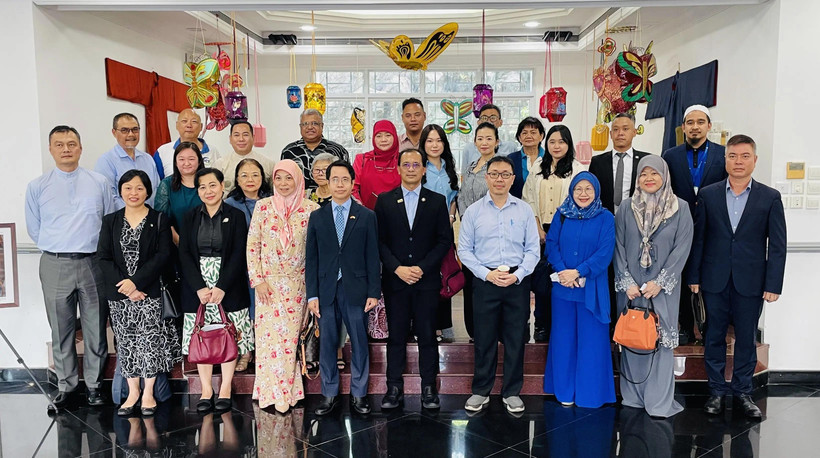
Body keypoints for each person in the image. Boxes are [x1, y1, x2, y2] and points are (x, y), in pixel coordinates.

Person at [688, 135, 786, 419]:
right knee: (714, 336)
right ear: (725, 160)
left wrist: (773, 283)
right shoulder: (708, 194)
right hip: (714, 278)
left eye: (745, 156)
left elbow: (778, 244)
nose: (739, 161)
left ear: (754, 160)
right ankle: (716, 392)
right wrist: (694, 276)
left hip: (752, 281)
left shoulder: (770, 197)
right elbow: (699, 240)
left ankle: (743, 393)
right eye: (733, 156)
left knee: (746, 338)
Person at [25, 125, 115, 412]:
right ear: (50, 149)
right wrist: (59, 247)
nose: (66, 149)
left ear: (80, 147)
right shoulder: (38, 186)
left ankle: (94, 386)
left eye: (72, 143)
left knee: (95, 327)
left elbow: (109, 220)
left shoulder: (99, 182)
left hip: (92, 263)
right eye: (60, 144)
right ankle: (66, 387)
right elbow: (35, 228)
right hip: (55, 262)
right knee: (60, 328)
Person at [458, 156, 540, 415]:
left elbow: (533, 250)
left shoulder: (524, 210)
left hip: (517, 281)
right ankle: (481, 390)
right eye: (494, 174)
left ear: (513, 179)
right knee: (484, 337)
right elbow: (465, 250)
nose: (499, 179)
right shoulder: (473, 212)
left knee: (516, 338)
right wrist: (486, 274)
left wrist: (518, 275)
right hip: (485, 281)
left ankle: (512, 391)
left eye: (505, 174)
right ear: (486, 177)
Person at [97, 170, 182, 417]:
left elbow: (163, 255)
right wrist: (124, 287)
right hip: (119, 295)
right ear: (120, 191)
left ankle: (148, 392)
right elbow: (103, 257)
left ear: (148, 191)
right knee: (127, 343)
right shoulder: (110, 220)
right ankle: (132, 391)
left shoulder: (159, 219)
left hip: (149, 292)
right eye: (128, 188)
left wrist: (136, 283)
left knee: (149, 342)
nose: (133, 193)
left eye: (139, 188)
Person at [614, 156, 693, 418]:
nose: (648, 178)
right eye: (643, 174)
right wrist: (627, 282)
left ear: (664, 176)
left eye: (654, 174)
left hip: (664, 289)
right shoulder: (626, 207)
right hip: (631, 287)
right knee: (634, 336)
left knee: (660, 339)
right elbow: (619, 246)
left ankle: (658, 402)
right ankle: (634, 397)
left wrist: (660, 283)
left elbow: (682, 249)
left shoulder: (680, 208)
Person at [375, 148, 452, 410]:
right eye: (405, 164)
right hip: (396, 281)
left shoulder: (437, 200)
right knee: (395, 336)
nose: (410, 168)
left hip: (426, 281)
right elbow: (380, 241)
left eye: (415, 164)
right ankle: (393, 387)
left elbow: (444, 241)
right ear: (398, 169)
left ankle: (429, 388)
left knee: (427, 336)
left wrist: (421, 267)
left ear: (423, 169)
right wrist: (397, 268)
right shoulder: (384, 201)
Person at [306, 160, 381, 416]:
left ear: (352, 183)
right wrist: (312, 294)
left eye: (344, 179)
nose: (339, 184)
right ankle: (329, 393)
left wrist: (374, 291)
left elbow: (373, 255)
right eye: (334, 179)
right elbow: (312, 257)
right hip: (326, 288)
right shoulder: (317, 216)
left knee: (359, 341)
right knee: (327, 341)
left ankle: (359, 394)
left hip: (356, 288)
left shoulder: (367, 216)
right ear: (328, 182)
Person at [178, 168, 255, 414]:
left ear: (222, 186)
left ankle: (225, 388)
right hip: (197, 285)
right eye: (202, 187)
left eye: (212, 185)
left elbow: (238, 253)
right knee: (202, 334)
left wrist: (222, 286)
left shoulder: (235, 215)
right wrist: (199, 287)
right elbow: (185, 254)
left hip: (228, 284)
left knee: (228, 333)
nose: (208, 191)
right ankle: (206, 389)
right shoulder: (189, 217)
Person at [247, 159, 320, 412]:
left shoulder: (311, 209)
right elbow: (253, 244)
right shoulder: (263, 207)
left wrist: (313, 288)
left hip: (297, 286)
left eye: (289, 178)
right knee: (268, 342)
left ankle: (288, 392)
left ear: (298, 180)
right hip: (267, 286)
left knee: (290, 341)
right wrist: (257, 280)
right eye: (279, 178)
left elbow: (315, 252)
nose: (284, 183)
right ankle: (269, 391)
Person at [543, 171, 616, 408]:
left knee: (592, 341)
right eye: (578, 189)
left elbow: (605, 252)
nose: (583, 194)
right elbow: (552, 244)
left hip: (591, 288)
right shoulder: (562, 214)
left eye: (588, 189)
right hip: (563, 288)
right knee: (564, 340)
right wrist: (563, 270)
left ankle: (590, 394)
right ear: (571, 191)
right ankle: (564, 391)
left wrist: (579, 272)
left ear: (596, 191)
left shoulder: (606, 218)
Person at [661, 104, 728, 345]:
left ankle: (709, 327)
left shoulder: (723, 154)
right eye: (690, 122)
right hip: (680, 226)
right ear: (683, 127)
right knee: (680, 275)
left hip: (714, 227)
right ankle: (685, 327)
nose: (695, 127)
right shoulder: (671, 155)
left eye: (700, 122)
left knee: (710, 278)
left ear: (709, 126)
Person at [522, 124, 587, 343]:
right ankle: (541, 324)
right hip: (540, 231)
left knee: (563, 279)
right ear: (546, 143)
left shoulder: (578, 169)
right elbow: (528, 198)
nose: (556, 146)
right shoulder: (538, 167)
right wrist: (537, 227)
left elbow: (582, 201)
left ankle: (561, 325)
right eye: (552, 141)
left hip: (568, 232)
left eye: (561, 141)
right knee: (541, 281)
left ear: (568, 144)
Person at [224, 158, 273, 372]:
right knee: (243, 310)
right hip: (239, 266)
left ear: (263, 177)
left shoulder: (273, 200)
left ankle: (265, 351)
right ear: (236, 179)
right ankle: (246, 351)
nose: (250, 179)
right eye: (244, 175)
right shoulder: (230, 203)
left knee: (265, 308)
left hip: (269, 267)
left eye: (255, 174)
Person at [457, 122, 500, 340]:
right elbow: (462, 197)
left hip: (492, 234)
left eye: (489, 138)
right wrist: (467, 220)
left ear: (497, 142)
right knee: (471, 281)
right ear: (475, 142)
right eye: (480, 138)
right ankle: (472, 330)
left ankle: (490, 330)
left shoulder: (499, 168)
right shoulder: (470, 167)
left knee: (488, 282)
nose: (484, 142)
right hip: (470, 232)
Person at [420, 124, 459, 343]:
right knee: (426, 280)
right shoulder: (419, 167)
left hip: (445, 229)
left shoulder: (449, 168)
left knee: (446, 276)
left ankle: (445, 325)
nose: (434, 145)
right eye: (429, 141)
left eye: (438, 141)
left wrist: (451, 217)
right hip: (423, 231)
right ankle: (427, 325)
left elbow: (453, 197)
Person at [588, 113, 652, 213]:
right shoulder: (597, 162)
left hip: (637, 219)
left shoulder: (646, 160)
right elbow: (591, 192)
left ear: (634, 132)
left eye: (625, 129)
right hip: (605, 218)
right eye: (616, 129)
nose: (620, 133)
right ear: (611, 134)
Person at [95, 113, 160, 209]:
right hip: (122, 220)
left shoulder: (148, 159)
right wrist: (135, 214)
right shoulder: (106, 161)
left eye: (135, 129)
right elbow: (109, 198)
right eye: (124, 130)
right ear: (114, 132)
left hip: (150, 219)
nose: (131, 134)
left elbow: (156, 191)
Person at [281, 109, 350, 190]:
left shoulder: (338, 151)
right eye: (305, 124)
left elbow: (347, 179)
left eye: (315, 123)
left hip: (331, 200)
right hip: (298, 200)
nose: (310, 127)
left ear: (322, 126)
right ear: (300, 127)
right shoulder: (288, 151)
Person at [154, 142, 205, 246]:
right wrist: (179, 242)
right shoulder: (166, 185)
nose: (186, 163)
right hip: (175, 244)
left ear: (199, 161)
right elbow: (162, 219)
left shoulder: (207, 183)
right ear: (176, 162)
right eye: (181, 159)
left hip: (206, 244)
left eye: (191, 159)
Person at [154, 108, 221, 178]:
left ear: (201, 127)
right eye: (184, 121)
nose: (189, 125)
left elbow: (219, 180)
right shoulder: (163, 152)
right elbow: (157, 184)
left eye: (194, 121)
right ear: (177, 125)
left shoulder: (213, 151)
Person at [352, 120, 401, 210]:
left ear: (395, 137)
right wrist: (362, 211)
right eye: (378, 136)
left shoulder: (403, 160)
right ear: (373, 138)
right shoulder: (362, 159)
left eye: (388, 135)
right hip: (367, 215)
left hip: (398, 215)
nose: (383, 139)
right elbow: (353, 188)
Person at [213, 121, 275, 193]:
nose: (241, 139)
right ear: (230, 139)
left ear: (253, 137)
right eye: (236, 135)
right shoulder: (220, 164)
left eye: (245, 135)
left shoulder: (268, 164)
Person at [460, 104, 519, 176]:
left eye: (493, 118)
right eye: (484, 118)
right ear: (478, 122)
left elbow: (514, 175)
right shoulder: (469, 148)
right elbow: (464, 176)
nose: (488, 121)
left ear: (500, 122)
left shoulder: (510, 147)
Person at [507, 116, 546, 198]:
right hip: (517, 207)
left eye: (533, 132)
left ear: (541, 136)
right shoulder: (511, 159)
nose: (528, 136)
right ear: (519, 137)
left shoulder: (549, 158)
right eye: (524, 133)